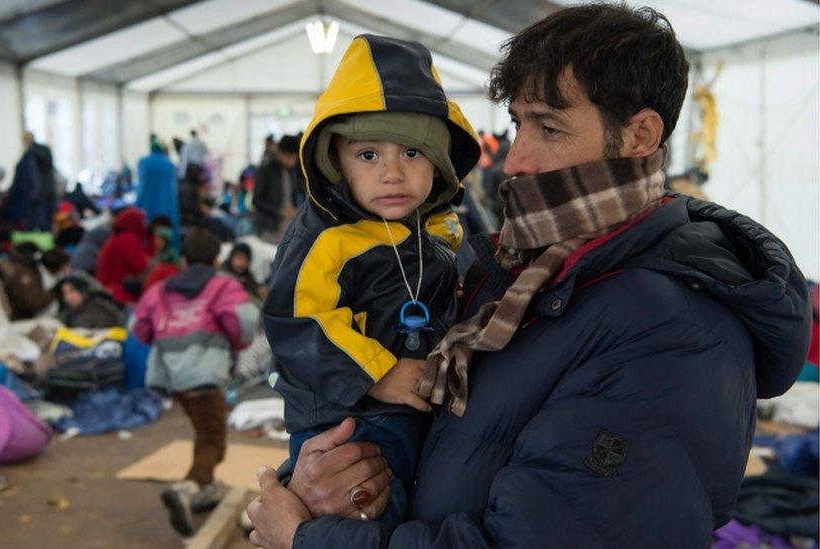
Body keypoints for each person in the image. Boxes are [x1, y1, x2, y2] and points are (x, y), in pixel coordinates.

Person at [248, 6, 812, 548]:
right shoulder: (524, 269)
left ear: (639, 135)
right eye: (518, 123)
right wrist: (337, 475)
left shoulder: (673, 330)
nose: (515, 160)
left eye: (549, 127)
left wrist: (309, 537)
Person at [262, 34, 480, 525]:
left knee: (412, 510)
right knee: (370, 516)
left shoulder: (433, 231)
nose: (392, 174)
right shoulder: (326, 238)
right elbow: (296, 320)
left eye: (411, 153)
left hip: (408, 412)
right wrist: (378, 372)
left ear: (441, 160)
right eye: (368, 156)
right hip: (348, 421)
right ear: (335, 160)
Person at [132, 228, 258, 536]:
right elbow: (243, 324)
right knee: (214, 442)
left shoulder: (161, 289)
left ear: (185, 259)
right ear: (217, 260)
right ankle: (187, 488)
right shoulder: (222, 286)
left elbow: (139, 328)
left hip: (173, 380)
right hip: (204, 376)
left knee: (203, 432)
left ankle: (205, 487)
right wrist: (235, 344)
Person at [253, 134, 305, 243]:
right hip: (269, 227)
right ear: (280, 153)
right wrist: (279, 211)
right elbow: (256, 200)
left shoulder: (293, 171)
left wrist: (296, 209)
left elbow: (294, 194)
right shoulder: (265, 170)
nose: (292, 161)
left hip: (289, 224)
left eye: (295, 158)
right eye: (289, 157)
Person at [95, 207, 152, 304]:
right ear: (134, 222)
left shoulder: (118, 237)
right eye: (142, 221)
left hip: (107, 286)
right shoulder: (128, 238)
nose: (145, 224)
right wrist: (151, 238)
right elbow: (141, 265)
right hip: (117, 290)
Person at [3, 132, 57, 231]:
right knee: (43, 224)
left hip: (39, 195)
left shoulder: (33, 154)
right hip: (43, 193)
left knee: (41, 224)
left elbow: (33, 177)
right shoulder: (39, 152)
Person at [136, 138, 182, 250]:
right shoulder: (169, 164)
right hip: (166, 201)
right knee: (167, 230)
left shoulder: (143, 162)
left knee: (145, 228)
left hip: (146, 200)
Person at [54, 272, 124, 329]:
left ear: (84, 290)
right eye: (64, 293)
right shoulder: (72, 310)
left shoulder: (100, 309)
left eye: (72, 291)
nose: (67, 297)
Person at [143, 225, 182, 291]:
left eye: (159, 240)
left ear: (165, 241)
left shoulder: (172, 253)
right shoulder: (157, 252)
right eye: (155, 240)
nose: (156, 242)